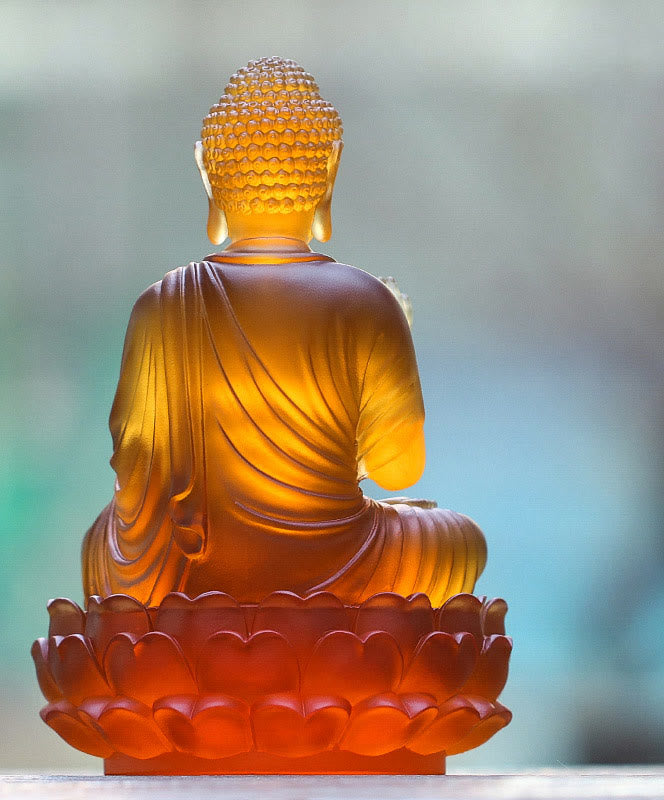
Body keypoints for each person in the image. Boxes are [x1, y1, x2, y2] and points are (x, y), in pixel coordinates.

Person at [82, 58, 486, 607]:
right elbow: (399, 469)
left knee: (97, 548)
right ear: (328, 173)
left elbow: (136, 480)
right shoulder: (367, 301)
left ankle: (178, 646)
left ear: (212, 178)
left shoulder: (162, 305)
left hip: (192, 587)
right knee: (455, 541)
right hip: (343, 576)